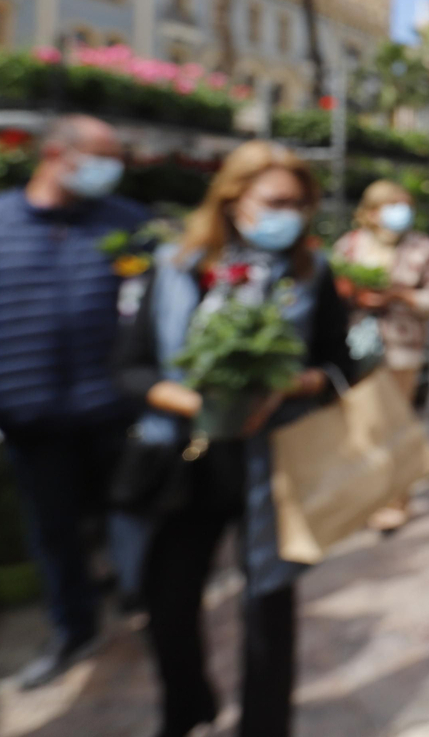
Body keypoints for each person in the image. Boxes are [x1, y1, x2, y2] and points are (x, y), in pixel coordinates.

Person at [112, 141, 353, 737]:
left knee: (269, 603)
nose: (288, 215)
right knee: (167, 601)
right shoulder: (174, 267)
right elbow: (131, 368)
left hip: (270, 460)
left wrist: (288, 384)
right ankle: (187, 705)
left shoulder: (310, 272)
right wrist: (200, 402)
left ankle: (266, 724)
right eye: (276, 201)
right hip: (183, 458)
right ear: (233, 198)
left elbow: (341, 365)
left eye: (299, 203)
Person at [0, 115, 145, 688]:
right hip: (29, 415)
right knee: (53, 532)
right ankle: (74, 629)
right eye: (104, 156)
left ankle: (146, 608)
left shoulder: (126, 223)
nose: (115, 169)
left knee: (132, 519)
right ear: (57, 154)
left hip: (113, 410)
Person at [332, 179, 429, 530]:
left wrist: (401, 296)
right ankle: (368, 497)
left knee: (393, 423)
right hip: (357, 347)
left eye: (404, 204)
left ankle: (397, 499)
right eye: (391, 205)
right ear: (371, 212)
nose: (401, 211)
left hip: (402, 349)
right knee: (364, 426)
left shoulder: (421, 247)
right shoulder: (349, 246)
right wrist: (355, 295)